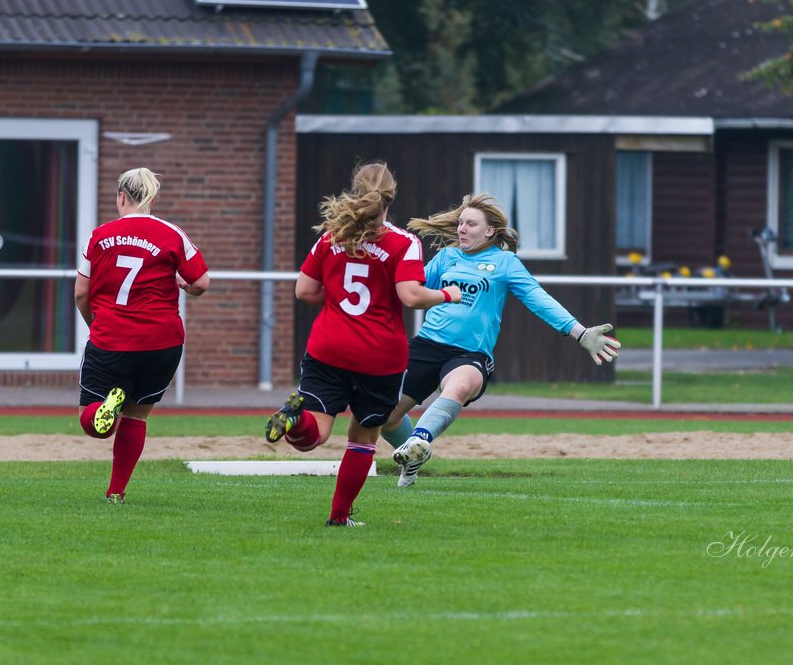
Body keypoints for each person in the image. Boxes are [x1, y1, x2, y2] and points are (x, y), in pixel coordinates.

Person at [264, 162, 460, 527]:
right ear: (391, 197)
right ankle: (339, 518)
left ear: (355, 191)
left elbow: (304, 291)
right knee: (362, 439)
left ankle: (294, 421)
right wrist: (447, 294)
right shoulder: (404, 242)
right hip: (378, 357)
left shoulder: (331, 236)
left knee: (314, 435)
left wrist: (337, 300)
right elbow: (411, 296)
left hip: (328, 348)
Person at [384, 193, 621, 486]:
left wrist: (579, 332)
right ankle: (413, 456)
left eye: (471, 224)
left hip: (470, 354)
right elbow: (411, 291)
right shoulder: (446, 257)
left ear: (489, 231)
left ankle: (421, 438)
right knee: (384, 417)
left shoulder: (505, 262)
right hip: (426, 345)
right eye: (460, 223)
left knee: (459, 386)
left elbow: (538, 299)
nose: (462, 229)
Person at [74, 167, 210, 503]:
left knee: (92, 421)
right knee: (136, 416)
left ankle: (106, 407)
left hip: (112, 337)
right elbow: (202, 283)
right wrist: (185, 287)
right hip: (161, 342)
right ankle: (116, 492)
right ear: (153, 198)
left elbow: (81, 292)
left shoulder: (99, 235)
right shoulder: (171, 233)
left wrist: (94, 325)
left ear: (121, 196)